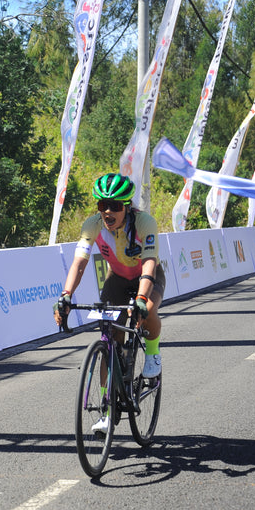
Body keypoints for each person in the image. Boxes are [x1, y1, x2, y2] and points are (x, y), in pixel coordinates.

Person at [54, 173, 165, 434]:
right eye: (102, 205)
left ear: (126, 206)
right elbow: (79, 262)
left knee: (147, 309)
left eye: (114, 205)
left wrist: (140, 298)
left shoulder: (144, 222)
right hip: (117, 280)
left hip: (147, 278)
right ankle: (107, 410)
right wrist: (66, 295)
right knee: (109, 340)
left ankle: (152, 352)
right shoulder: (92, 225)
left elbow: (149, 261)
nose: (107, 211)